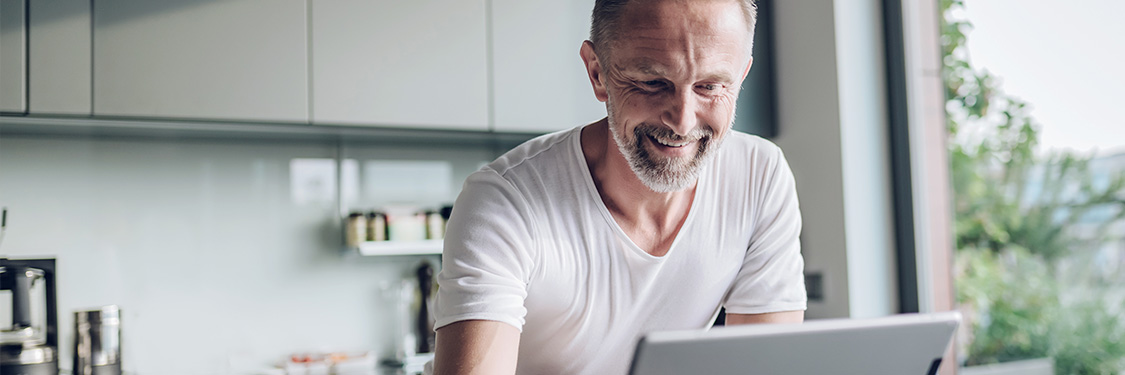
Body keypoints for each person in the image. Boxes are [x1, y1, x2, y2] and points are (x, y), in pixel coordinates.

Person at [429, 0, 806, 374]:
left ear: (740, 77)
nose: (682, 121)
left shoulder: (760, 176)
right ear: (597, 73)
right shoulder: (504, 202)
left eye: (710, 86)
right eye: (652, 82)